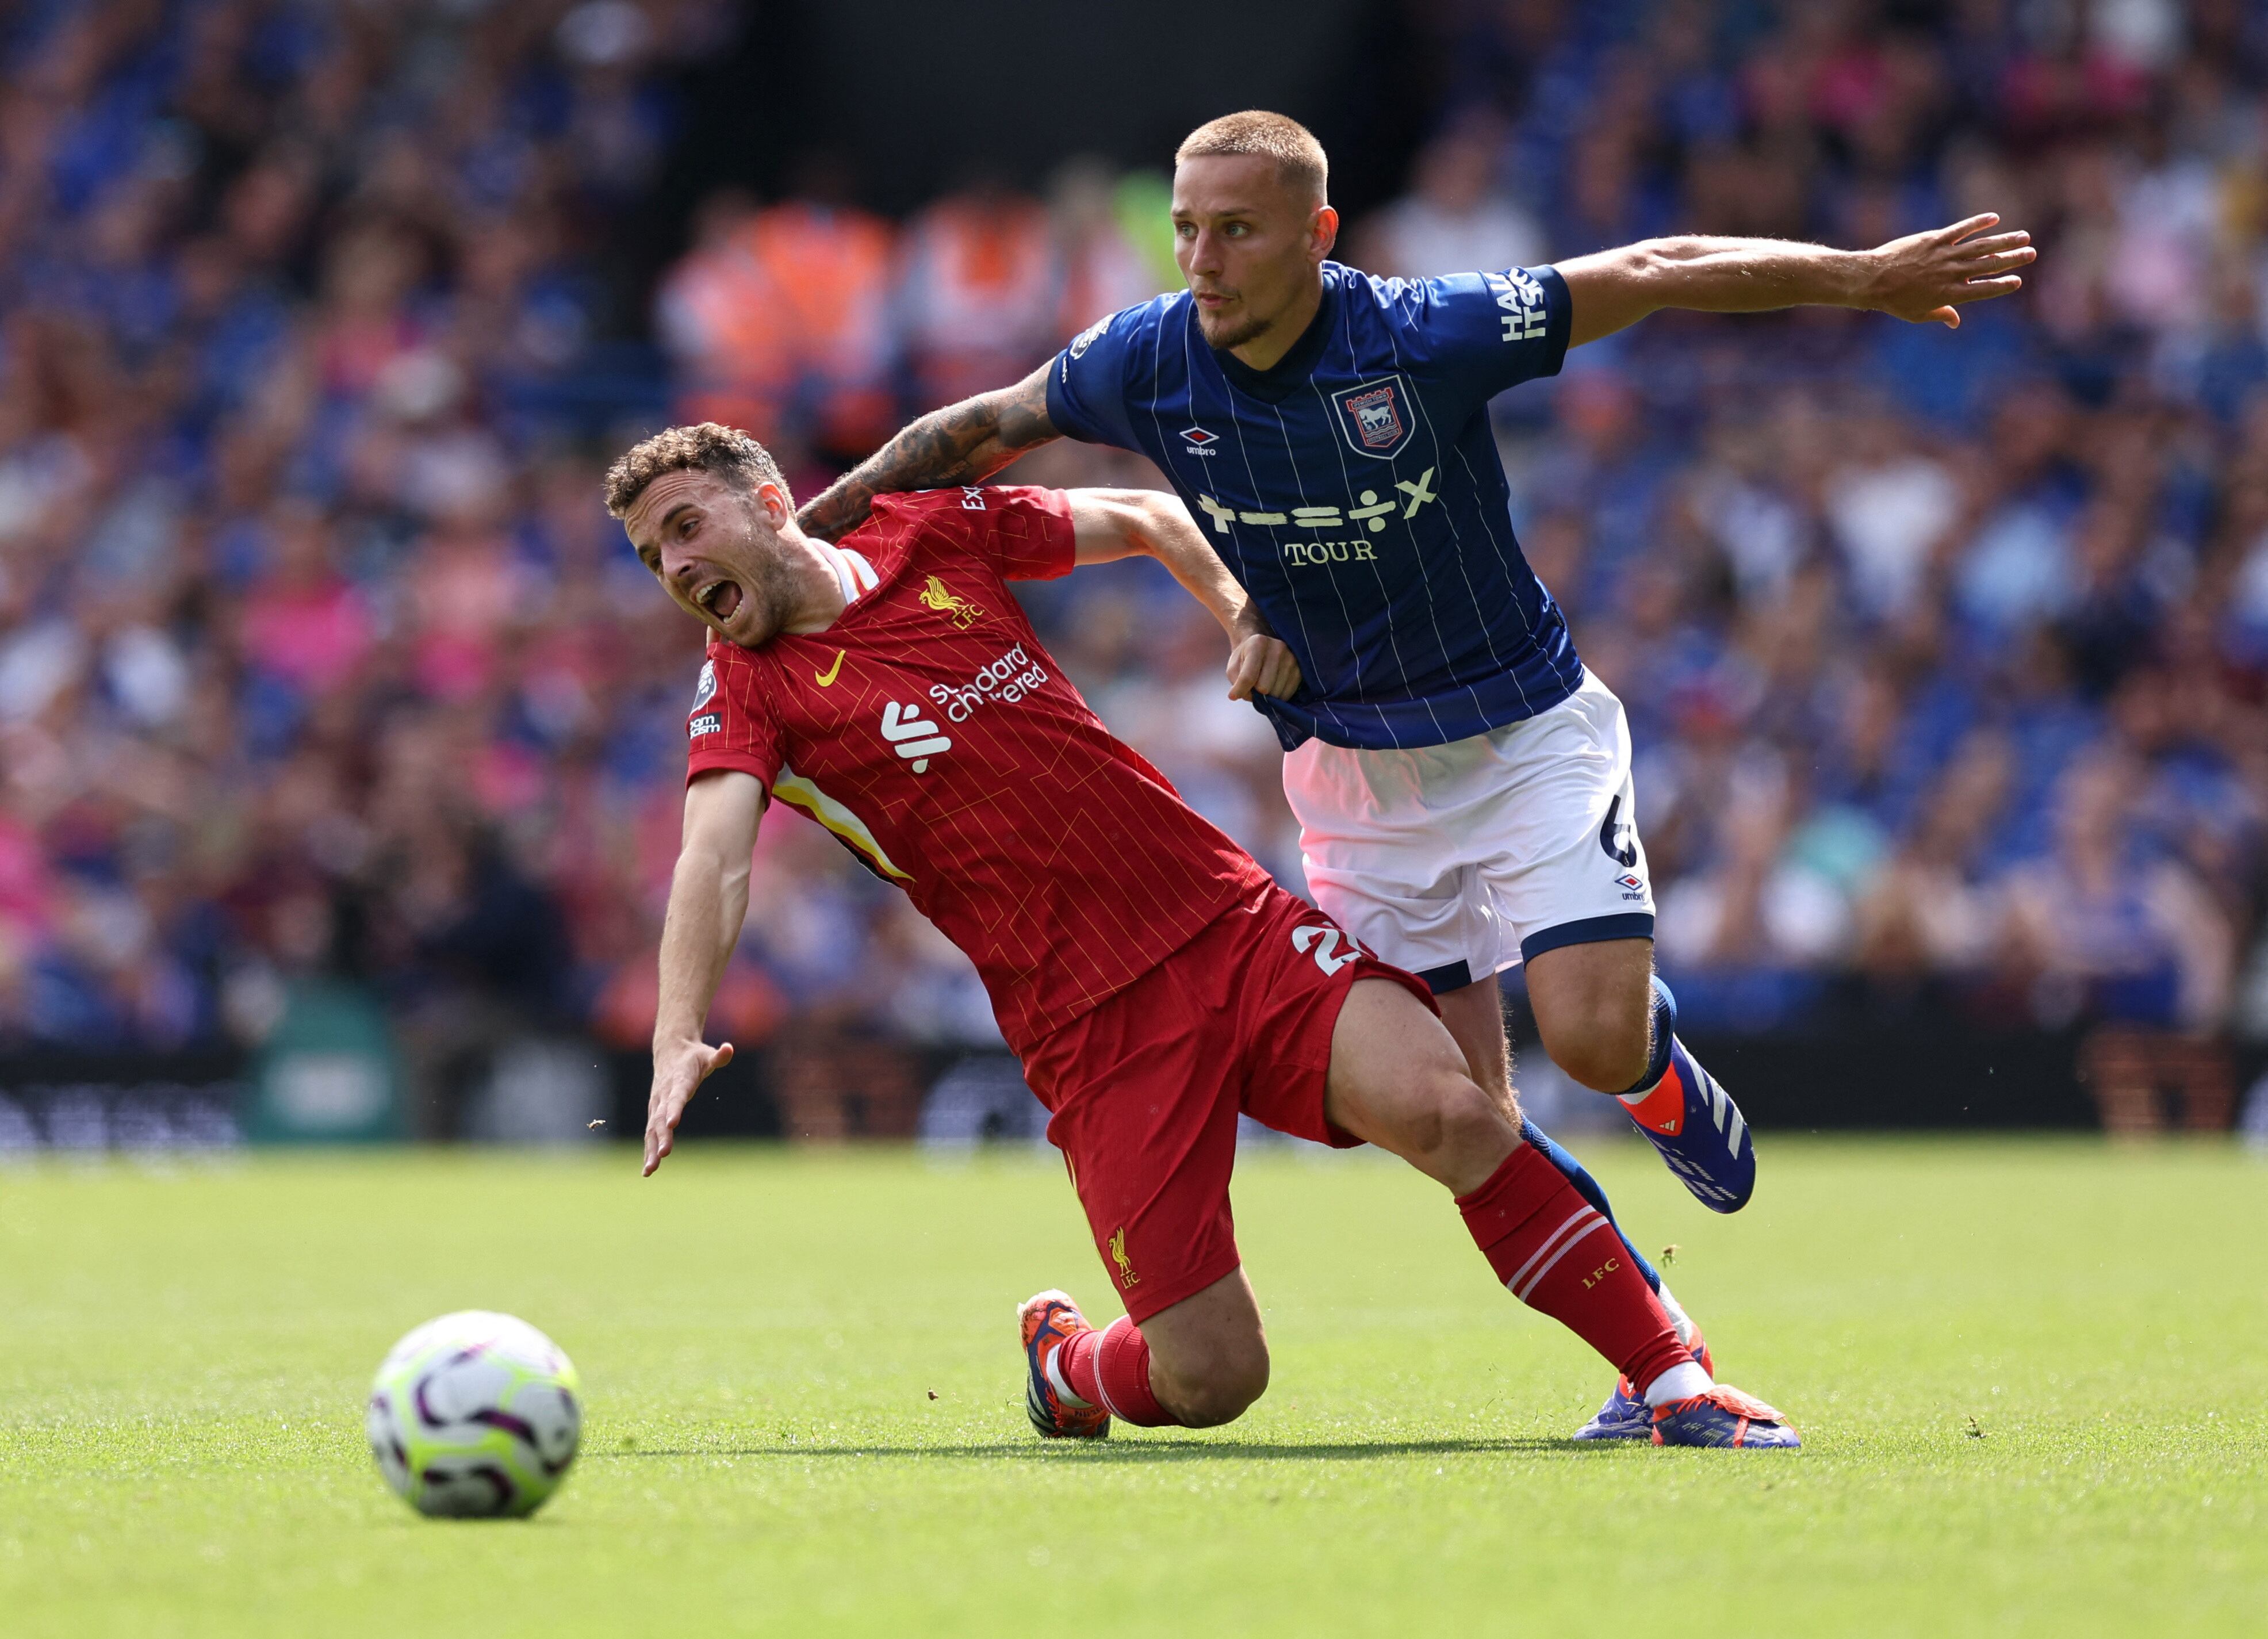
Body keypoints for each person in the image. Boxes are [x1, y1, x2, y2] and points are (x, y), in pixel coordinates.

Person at [795, 109, 2029, 1438]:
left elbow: (1654, 269)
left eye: (1238, 231)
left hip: (1522, 735)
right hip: (1355, 787)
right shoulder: (1144, 358)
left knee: (1595, 1040)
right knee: (1473, 1126)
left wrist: (1859, 276)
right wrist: (802, 530)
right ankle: (1654, 1372)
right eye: (1187, 230)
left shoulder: (1419, 331)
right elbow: (972, 432)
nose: (1202, 261)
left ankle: (1657, 1073)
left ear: (1316, 239)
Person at [608, 421, 1798, 1449]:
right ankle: (1070, 1363)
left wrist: (1239, 615)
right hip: (1087, 1027)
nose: (674, 564)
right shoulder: (748, 690)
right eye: (653, 554)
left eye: (683, 525)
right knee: (1214, 1379)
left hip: (1229, 922)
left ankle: (1670, 1379)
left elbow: (1142, 511)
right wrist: (676, 1035)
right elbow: (712, 860)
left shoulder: (925, 532)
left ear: (767, 501)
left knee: (1454, 1113)